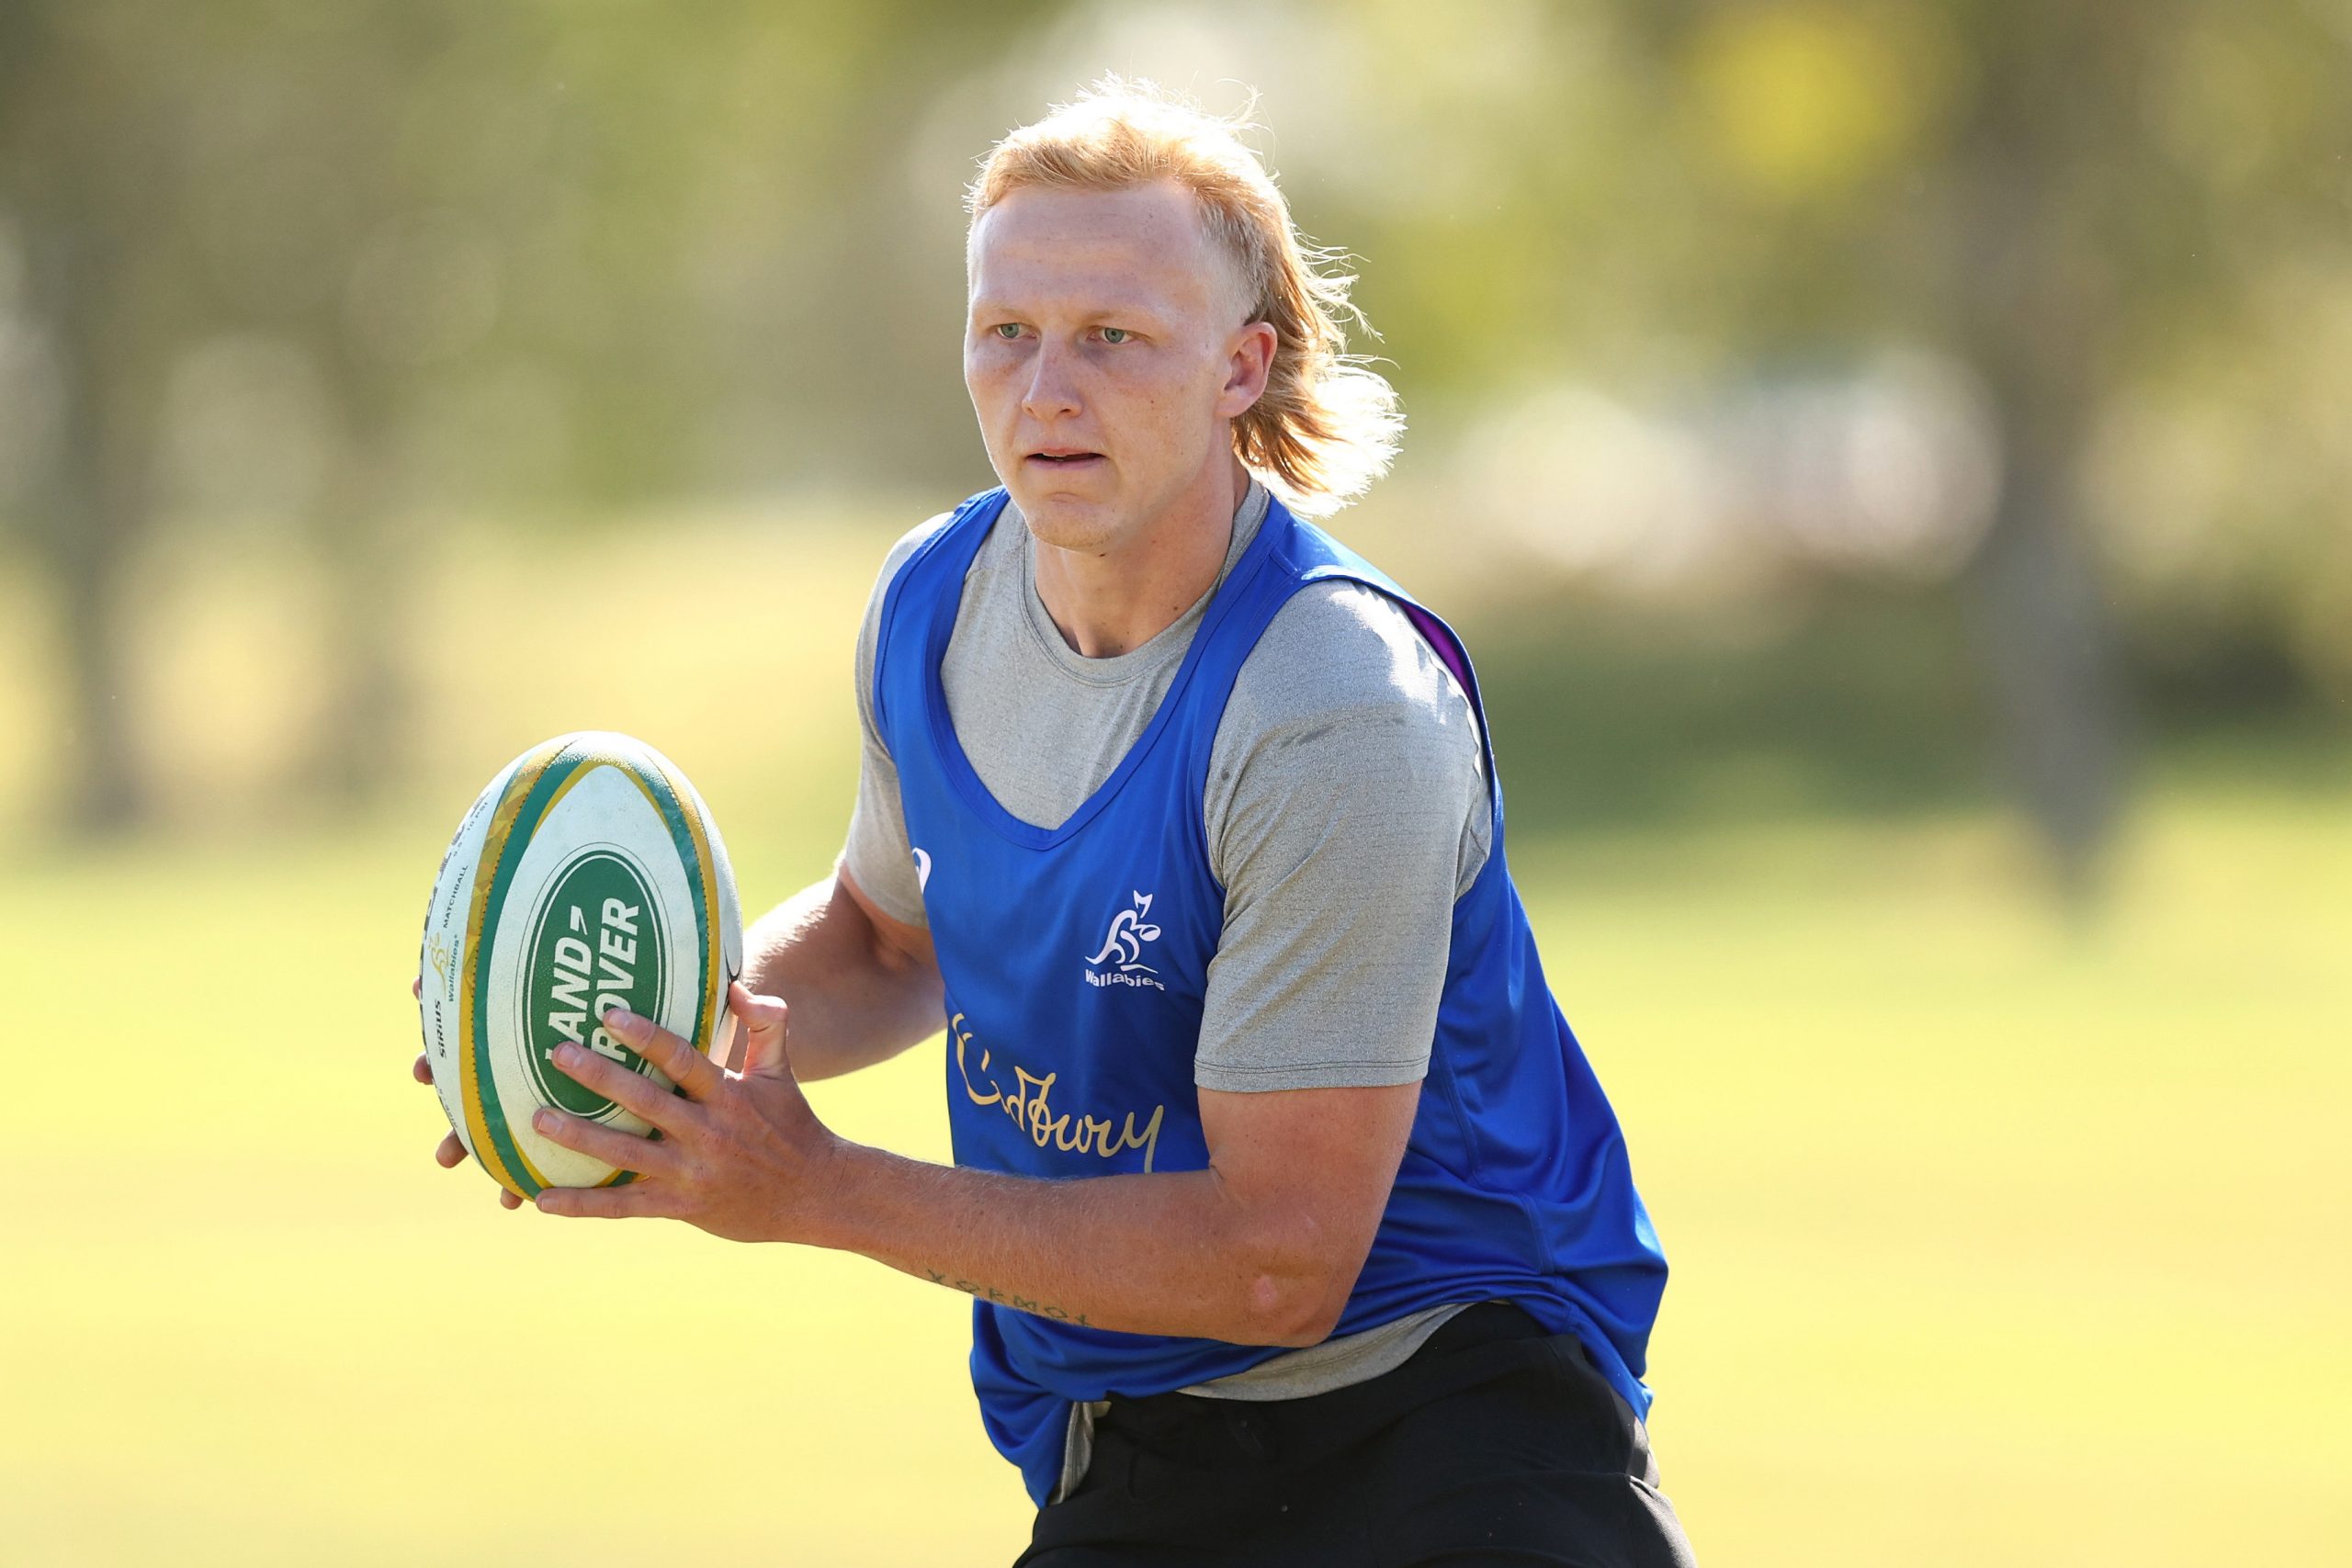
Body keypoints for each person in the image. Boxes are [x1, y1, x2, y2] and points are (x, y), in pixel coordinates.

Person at [411, 79, 1693, 1566]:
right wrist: (638, 1059)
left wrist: (817, 1188)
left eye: (1113, 337)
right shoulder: (934, 607)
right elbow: (890, 943)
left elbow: (1281, 1264)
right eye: (1006, 332)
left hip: (1453, 1428)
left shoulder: (1334, 705)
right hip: (1132, 1431)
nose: (1047, 389)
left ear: (1240, 366)